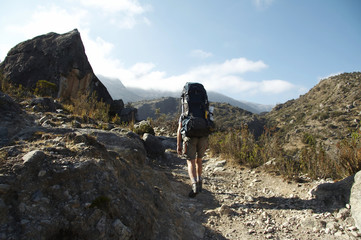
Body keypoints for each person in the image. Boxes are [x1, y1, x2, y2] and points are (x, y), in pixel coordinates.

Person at [177, 109, 209, 198]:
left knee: (191, 161)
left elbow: (179, 129)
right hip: (203, 137)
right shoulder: (204, 112)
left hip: (190, 138)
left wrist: (178, 144)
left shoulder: (184, 114)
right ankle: (199, 182)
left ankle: (194, 185)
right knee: (199, 160)